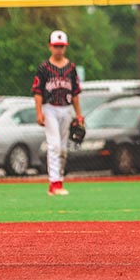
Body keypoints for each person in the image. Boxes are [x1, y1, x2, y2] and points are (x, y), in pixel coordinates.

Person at [32, 29, 84, 196]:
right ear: (50, 47)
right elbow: (38, 91)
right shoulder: (44, 68)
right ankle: (54, 183)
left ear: (65, 47)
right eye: (56, 46)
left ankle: (58, 182)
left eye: (61, 46)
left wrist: (79, 114)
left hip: (66, 108)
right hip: (50, 108)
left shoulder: (71, 68)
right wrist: (39, 112)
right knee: (54, 145)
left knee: (62, 147)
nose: (59, 49)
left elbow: (75, 93)